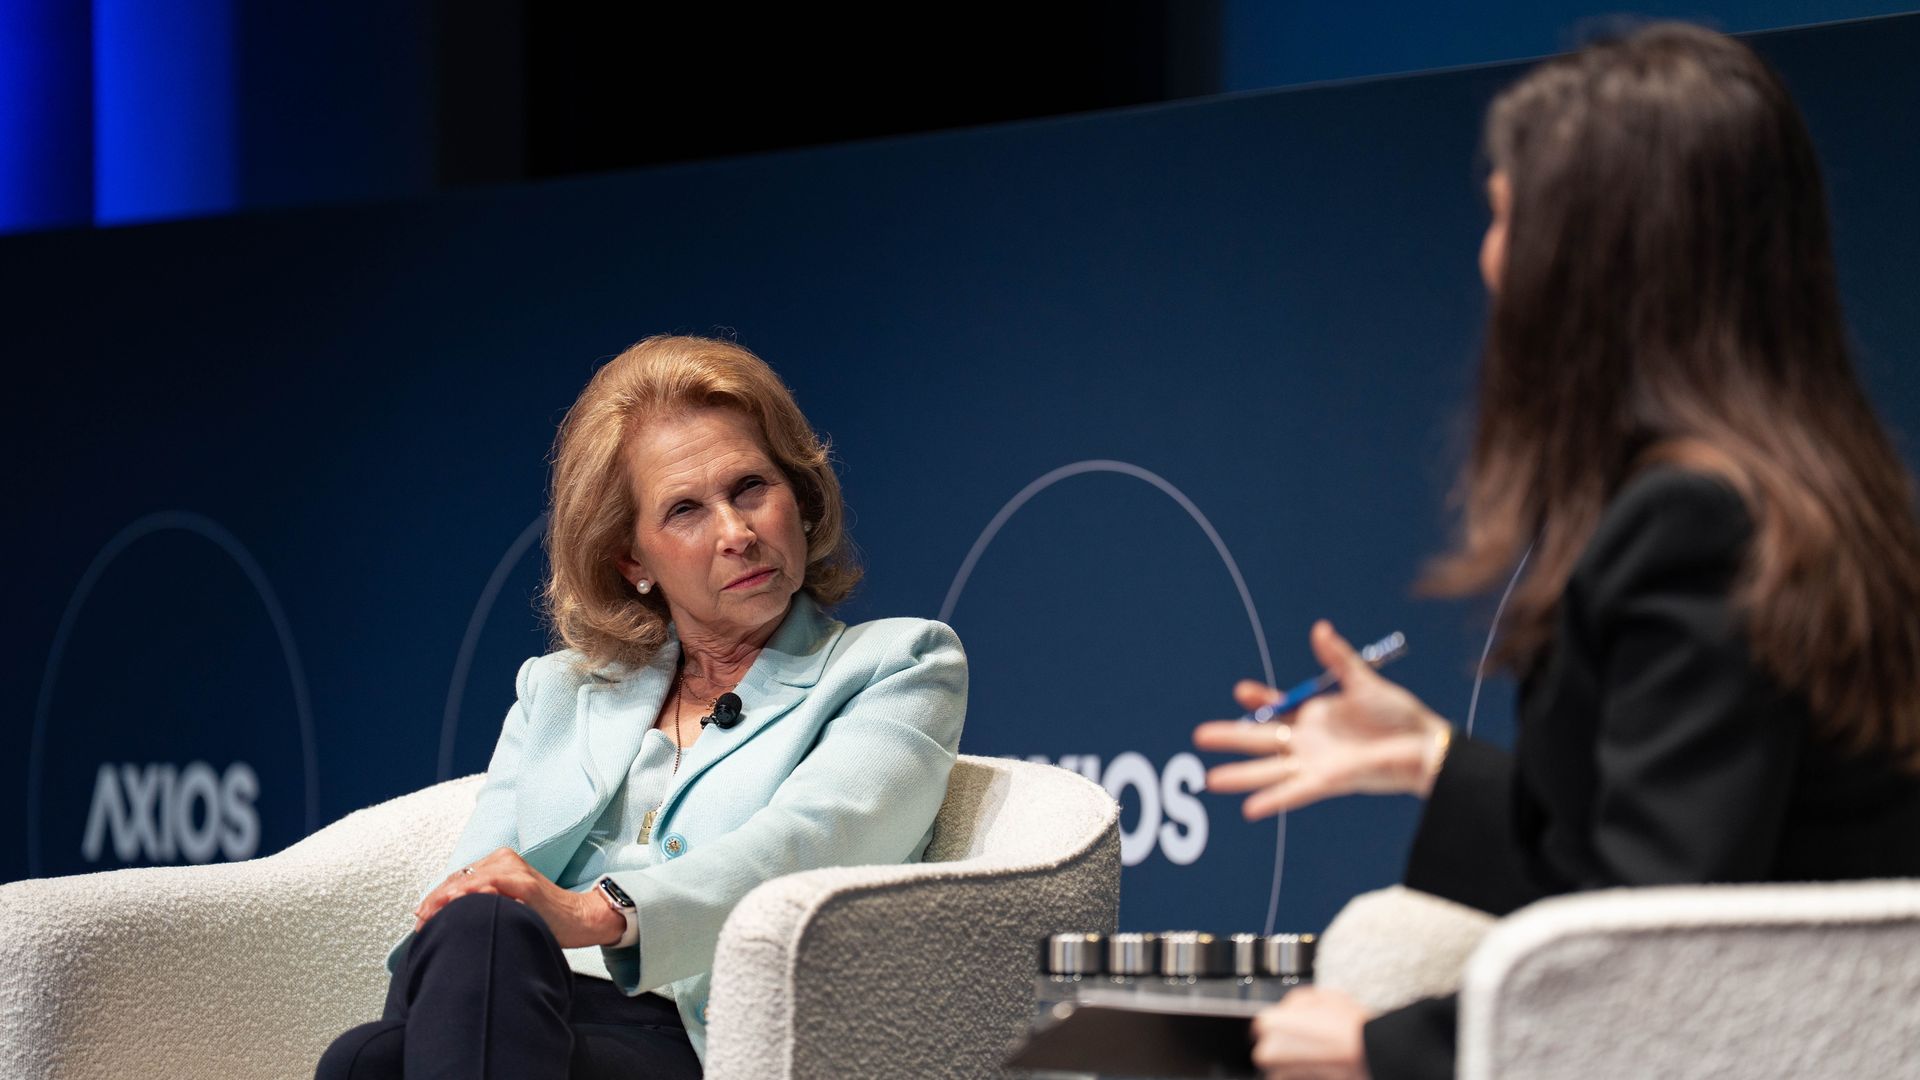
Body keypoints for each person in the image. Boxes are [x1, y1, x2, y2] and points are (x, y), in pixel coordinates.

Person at [1194, 23, 1920, 1080]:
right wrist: (1427, 758)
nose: (1489, 259)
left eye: (1505, 217)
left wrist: (1383, 1051)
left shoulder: (1693, 526)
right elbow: (1659, 863)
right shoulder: (1819, 497)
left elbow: (1653, 951)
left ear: (1596, 258)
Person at [316, 335, 968, 1079]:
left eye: (751, 487)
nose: (737, 533)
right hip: (529, 1002)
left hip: (699, 1033)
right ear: (634, 561)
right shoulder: (560, 691)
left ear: (801, 496)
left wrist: (600, 910)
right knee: (376, 1049)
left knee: (374, 1059)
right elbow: (478, 883)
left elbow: (810, 846)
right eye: (686, 509)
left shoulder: (900, 665)